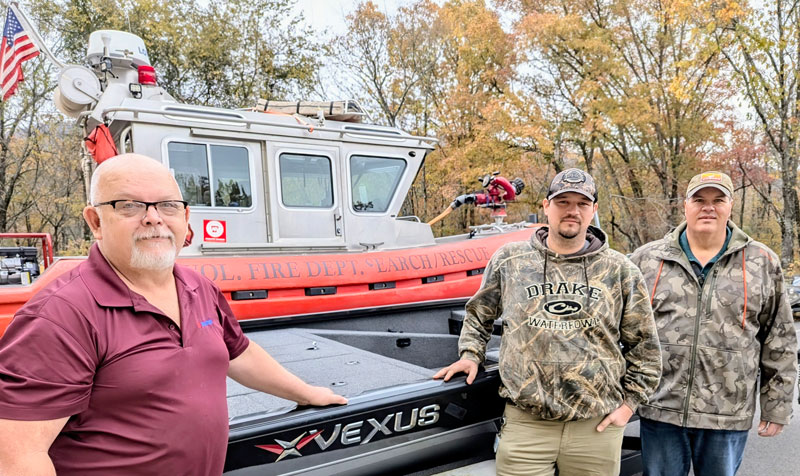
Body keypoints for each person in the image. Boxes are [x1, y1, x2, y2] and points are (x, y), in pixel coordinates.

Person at [0, 154, 347, 476]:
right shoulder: (61, 316)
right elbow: (17, 456)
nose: (153, 217)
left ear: (184, 217)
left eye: (167, 205)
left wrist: (305, 393)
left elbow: (238, 353)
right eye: (129, 205)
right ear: (95, 221)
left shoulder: (197, 287)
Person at [434, 168, 662, 476]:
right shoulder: (510, 259)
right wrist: (470, 355)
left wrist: (629, 406)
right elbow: (479, 313)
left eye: (582, 204)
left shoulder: (620, 270)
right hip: (526, 425)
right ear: (545, 206)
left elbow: (645, 345)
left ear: (594, 210)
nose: (572, 211)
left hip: (595, 427)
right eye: (563, 202)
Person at [629, 171, 798, 476]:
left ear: (730, 206)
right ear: (686, 206)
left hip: (727, 414)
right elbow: (623, 334)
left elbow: (780, 339)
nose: (708, 207)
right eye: (700, 200)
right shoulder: (646, 260)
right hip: (660, 408)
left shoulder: (761, 262)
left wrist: (777, 405)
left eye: (717, 200)